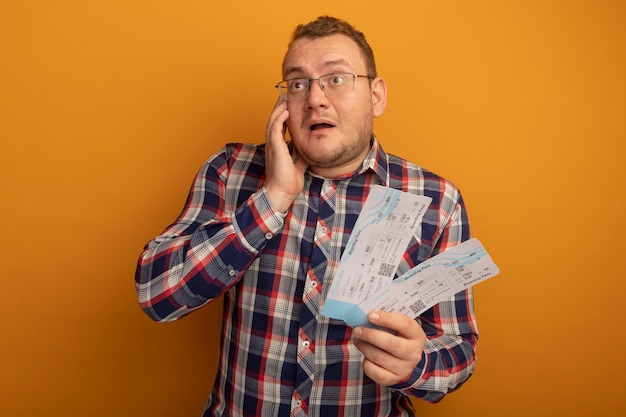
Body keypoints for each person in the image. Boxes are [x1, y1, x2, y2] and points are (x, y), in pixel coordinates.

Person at [136, 15, 478, 417]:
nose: (314, 97)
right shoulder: (231, 171)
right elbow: (156, 294)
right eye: (297, 83)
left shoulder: (437, 201)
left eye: (336, 78)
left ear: (377, 96)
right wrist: (273, 199)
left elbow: (458, 348)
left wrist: (416, 365)